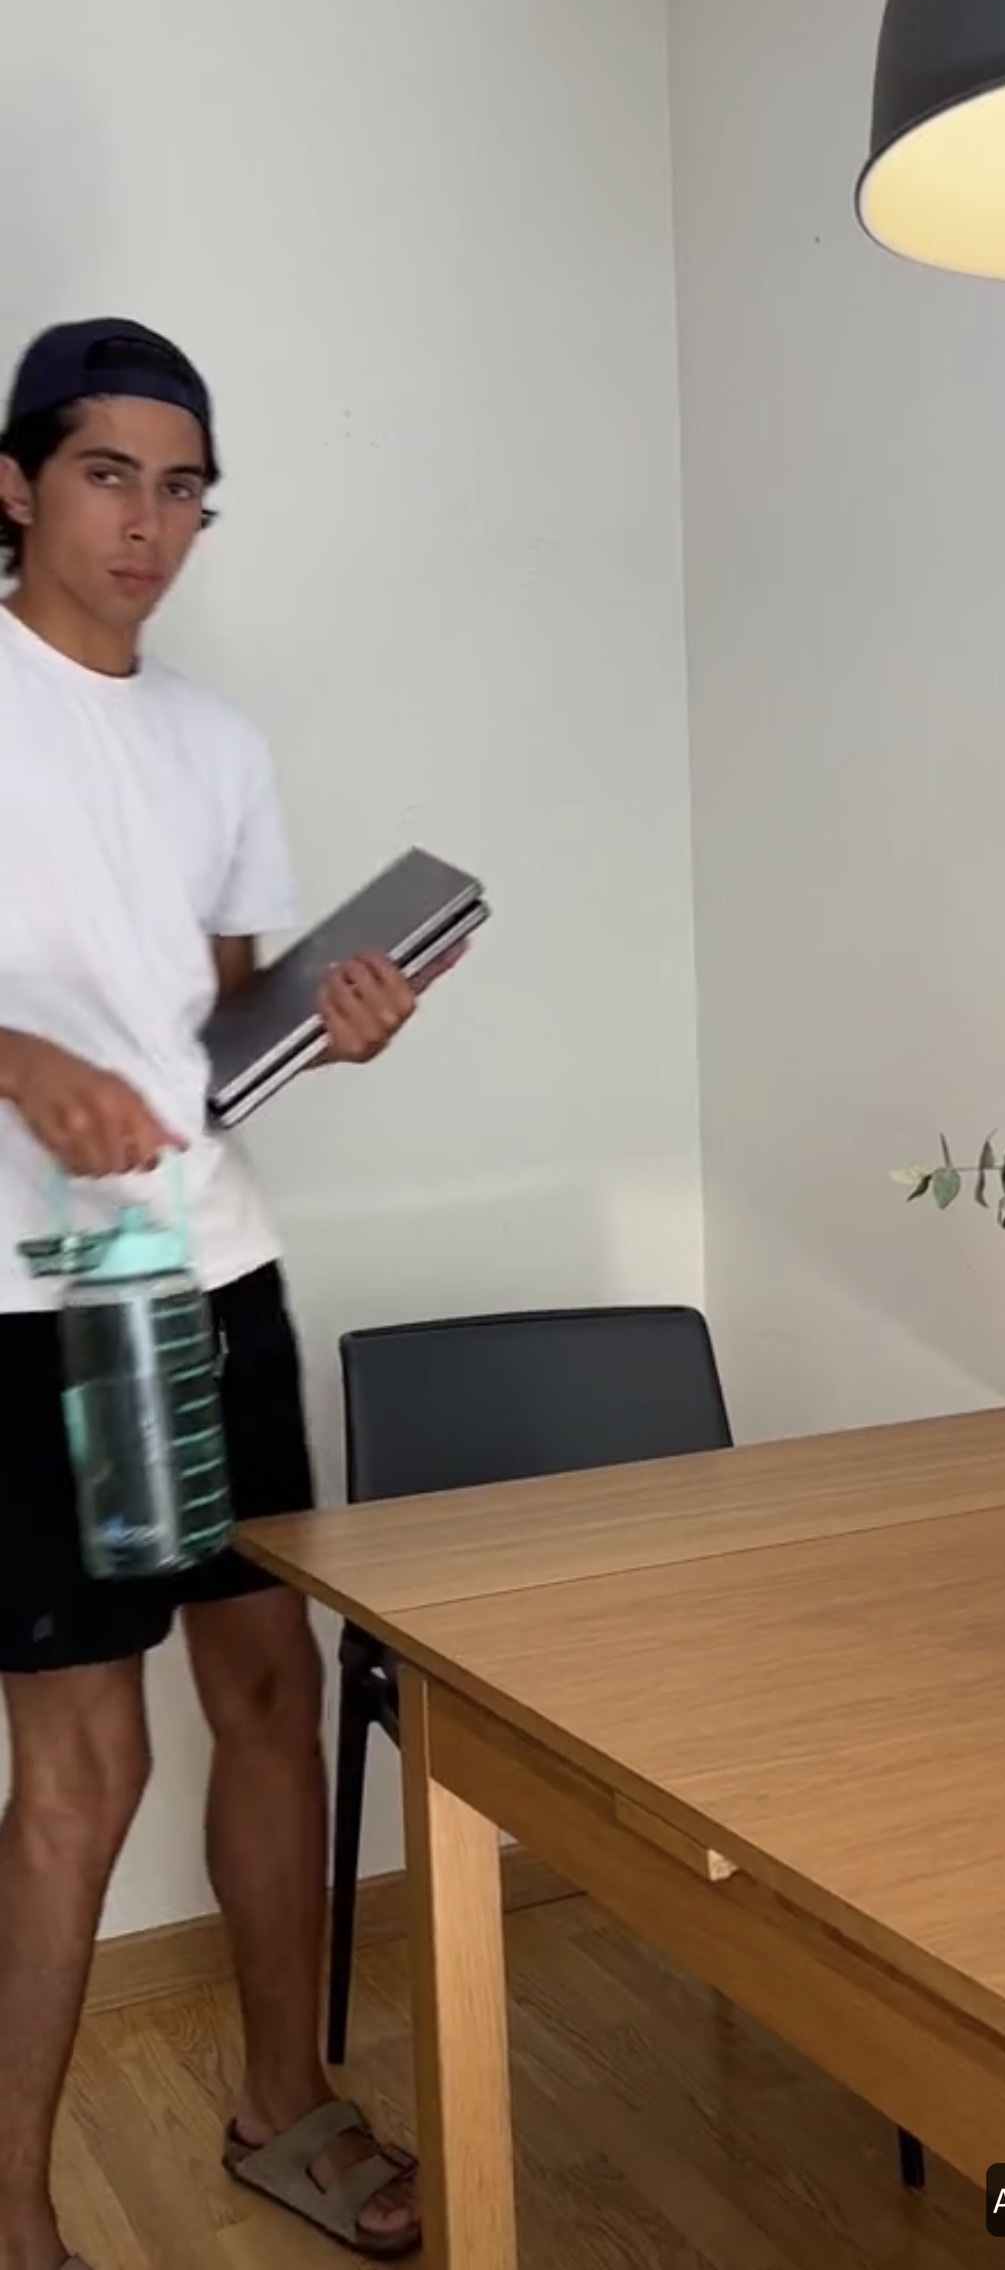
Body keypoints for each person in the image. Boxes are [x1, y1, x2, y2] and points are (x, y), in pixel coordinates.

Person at [0, 318, 454, 2268]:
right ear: (17, 482)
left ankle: (284, 2103)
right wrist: (21, 1060)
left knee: (265, 1691)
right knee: (84, 1761)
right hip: (57, 1289)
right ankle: (14, 2208)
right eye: (111, 474)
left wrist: (327, 1024)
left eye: (183, 488)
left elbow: (214, 1024)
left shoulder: (220, 744)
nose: (150, 522)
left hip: (214, 1265)